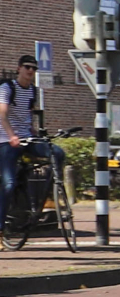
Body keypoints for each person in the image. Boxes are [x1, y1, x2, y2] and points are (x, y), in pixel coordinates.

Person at [1, 55, 68, 226]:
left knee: (57, 153)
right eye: (27, 67)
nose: (30, 71)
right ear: (19, 69)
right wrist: (12, 136)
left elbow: (28, 117)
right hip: (6, 140)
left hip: (27, 138)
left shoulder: (33, 90)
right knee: (8, 184)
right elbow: (2, 114)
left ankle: (45, 197)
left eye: (34, 68)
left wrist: (37, 135)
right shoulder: (7, 88)